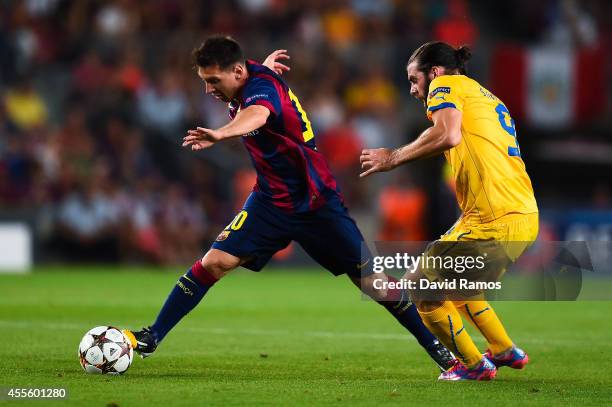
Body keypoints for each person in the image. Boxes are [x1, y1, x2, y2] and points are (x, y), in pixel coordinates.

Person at [124, 36, 454, 371]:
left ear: (236, 72)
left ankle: (438, 349)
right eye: (205, 82)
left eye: (213, 81)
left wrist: (223, 133)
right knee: (214, 262)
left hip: (316, 201)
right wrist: (261, 71)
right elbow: (255, 87)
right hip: (270, 200)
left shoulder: (260, 89)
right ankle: (153, 336)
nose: (209, 90)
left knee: (373, 282)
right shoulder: (251, 77)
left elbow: (257, 113)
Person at [360, 41, 538, 381]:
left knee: (421, 287)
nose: (413, 90)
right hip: (521, 215)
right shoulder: (486, 97)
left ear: (435, 72)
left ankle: (473, 366)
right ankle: (503, 350)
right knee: (458, 288)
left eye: (414, 80)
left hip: (494, 220)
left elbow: (448, 134)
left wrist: (392, 157)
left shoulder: (445, 86)